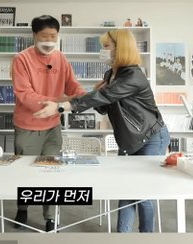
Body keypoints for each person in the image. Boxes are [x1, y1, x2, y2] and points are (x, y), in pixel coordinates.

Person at [34, 29, 170, 233]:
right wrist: (70, 99)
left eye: (106, 46)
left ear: (120, 48)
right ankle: (122, 235)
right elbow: (104, 105)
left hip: (151, 137)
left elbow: (102, 98)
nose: (103, 50)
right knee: (127, 189)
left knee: (143, 193)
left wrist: (64, 107)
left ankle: (146, 237)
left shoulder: (133, 76)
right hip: (130, 139)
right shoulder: (111, 74)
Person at [11, 15, 86, 232]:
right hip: (27, 126)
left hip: (53, 127)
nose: (49, 41)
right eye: (45, 36)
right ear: (34, 35)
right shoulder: (21, 59)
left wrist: (84, 97)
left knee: (51, 173)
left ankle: (50, 217)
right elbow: (25, 94)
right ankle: (23, 207)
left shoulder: (61, 58)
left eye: (53, 36)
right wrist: (57, 102)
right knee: (25, 173)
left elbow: (73, 86)